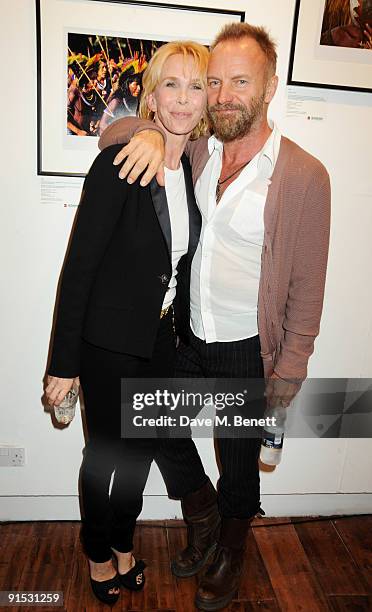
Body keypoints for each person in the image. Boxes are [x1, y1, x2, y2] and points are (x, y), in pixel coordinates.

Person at [99, 22, 331, 611]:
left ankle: (231, 546)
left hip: (246, 347)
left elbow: (307, 289)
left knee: (238, 461)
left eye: (240, 81)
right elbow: (117, 133)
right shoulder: (200, 149)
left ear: (270, 86)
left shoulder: (304, 176)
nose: (224, 94)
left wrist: (287, 378)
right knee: (154, 425)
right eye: (215, 81)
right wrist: (145, 132)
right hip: (185, 331)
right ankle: (201, 517)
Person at [45, 40, 212, 606]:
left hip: (160, 344)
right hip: (106, 347)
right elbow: (80, 267)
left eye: (196, 86)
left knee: (139, 459)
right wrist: (62, 366)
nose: (184, 99)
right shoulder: (120, 162)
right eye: (172, 84)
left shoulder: (191, 168)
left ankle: (123, 541)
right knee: (104, 458)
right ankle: (97, 551)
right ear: (152, 94)